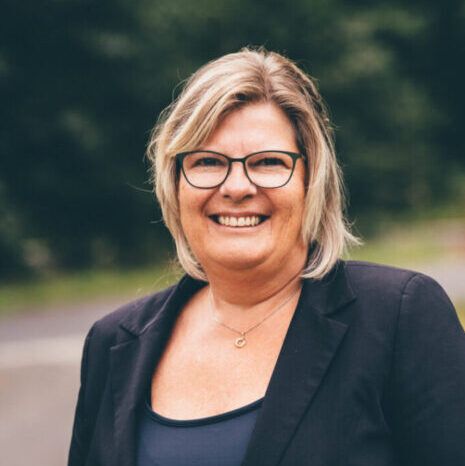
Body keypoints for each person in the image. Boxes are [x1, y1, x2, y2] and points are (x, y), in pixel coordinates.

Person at [68, 48, 465, 466]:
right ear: (175, 183)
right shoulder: (112, 343)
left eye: (268, 162)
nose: (237, 187)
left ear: (311, 181)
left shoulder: (399, 318)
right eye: (207, 161)